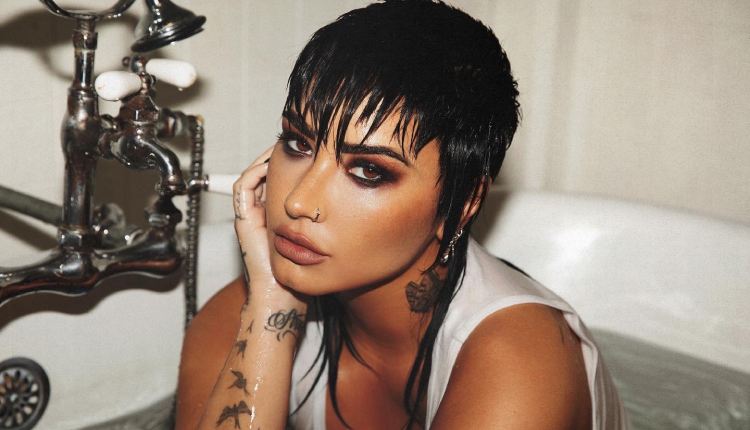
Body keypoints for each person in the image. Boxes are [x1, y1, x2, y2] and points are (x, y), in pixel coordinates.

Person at [175, 1, 627, 429]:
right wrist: (272, 303)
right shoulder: (241, 313)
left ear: (461, 204)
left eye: (369, 171)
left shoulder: (522, 360)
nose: (298, 201)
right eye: (298, 143)